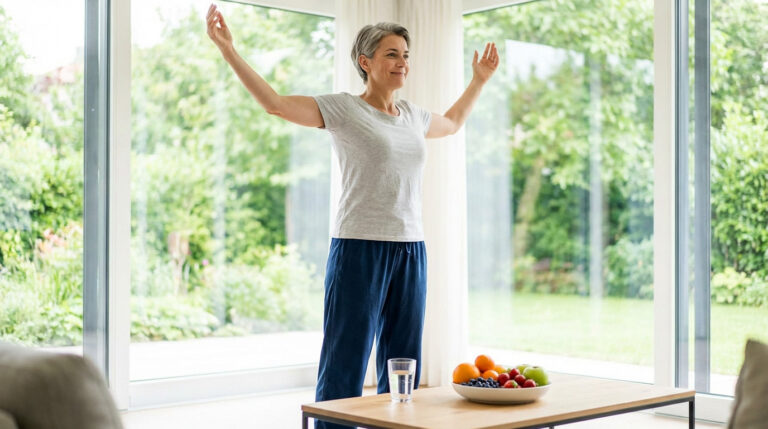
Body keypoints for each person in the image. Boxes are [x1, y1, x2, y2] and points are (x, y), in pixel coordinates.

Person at [206, 4, 498, 427]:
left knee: (403, 359)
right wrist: (229, 50)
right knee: (346, 355)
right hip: (358, 246)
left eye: (406, 55)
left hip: (410, 248)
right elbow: (275, 104)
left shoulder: (414, 116)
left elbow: (451, 123)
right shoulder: (345, 109)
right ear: (366, 62)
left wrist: (479, 80)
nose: (402, 63)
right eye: (392, 54)